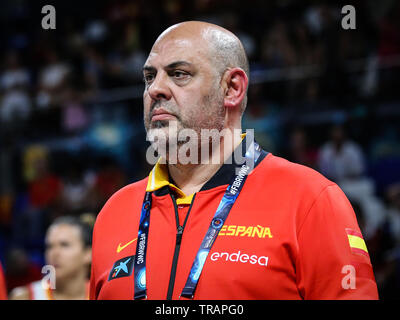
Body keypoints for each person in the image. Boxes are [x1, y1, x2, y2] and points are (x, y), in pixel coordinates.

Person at [90, 21, 378, 300]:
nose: (155, 89)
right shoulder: (114, 213)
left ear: (232, 89)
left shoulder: (310, 200)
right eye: (150, 77)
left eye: (178, 74)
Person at [9, 215, 92, 300]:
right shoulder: (24, 297)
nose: (54, 253)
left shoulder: (101, 294)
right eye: (49, 246)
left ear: (88, 253)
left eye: (64, 245)